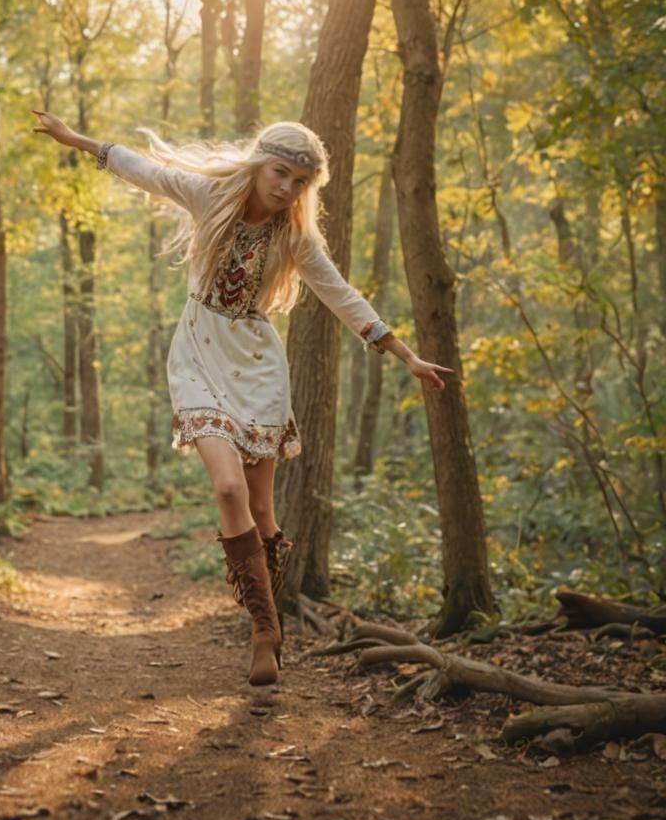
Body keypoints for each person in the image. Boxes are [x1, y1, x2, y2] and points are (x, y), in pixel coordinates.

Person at [32, 111, 453, 687]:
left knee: (261, 511)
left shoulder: (295, 237)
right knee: (227, 487)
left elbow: (341, 295)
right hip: (199, 351)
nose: (286, 188)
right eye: (280, 172)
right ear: (259, 165)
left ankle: (266, 631)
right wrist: (76, 140)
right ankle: (264, 628)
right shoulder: (208, 197)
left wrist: (406, 355)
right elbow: (144, 169)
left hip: (256, 362)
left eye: (299, 182)